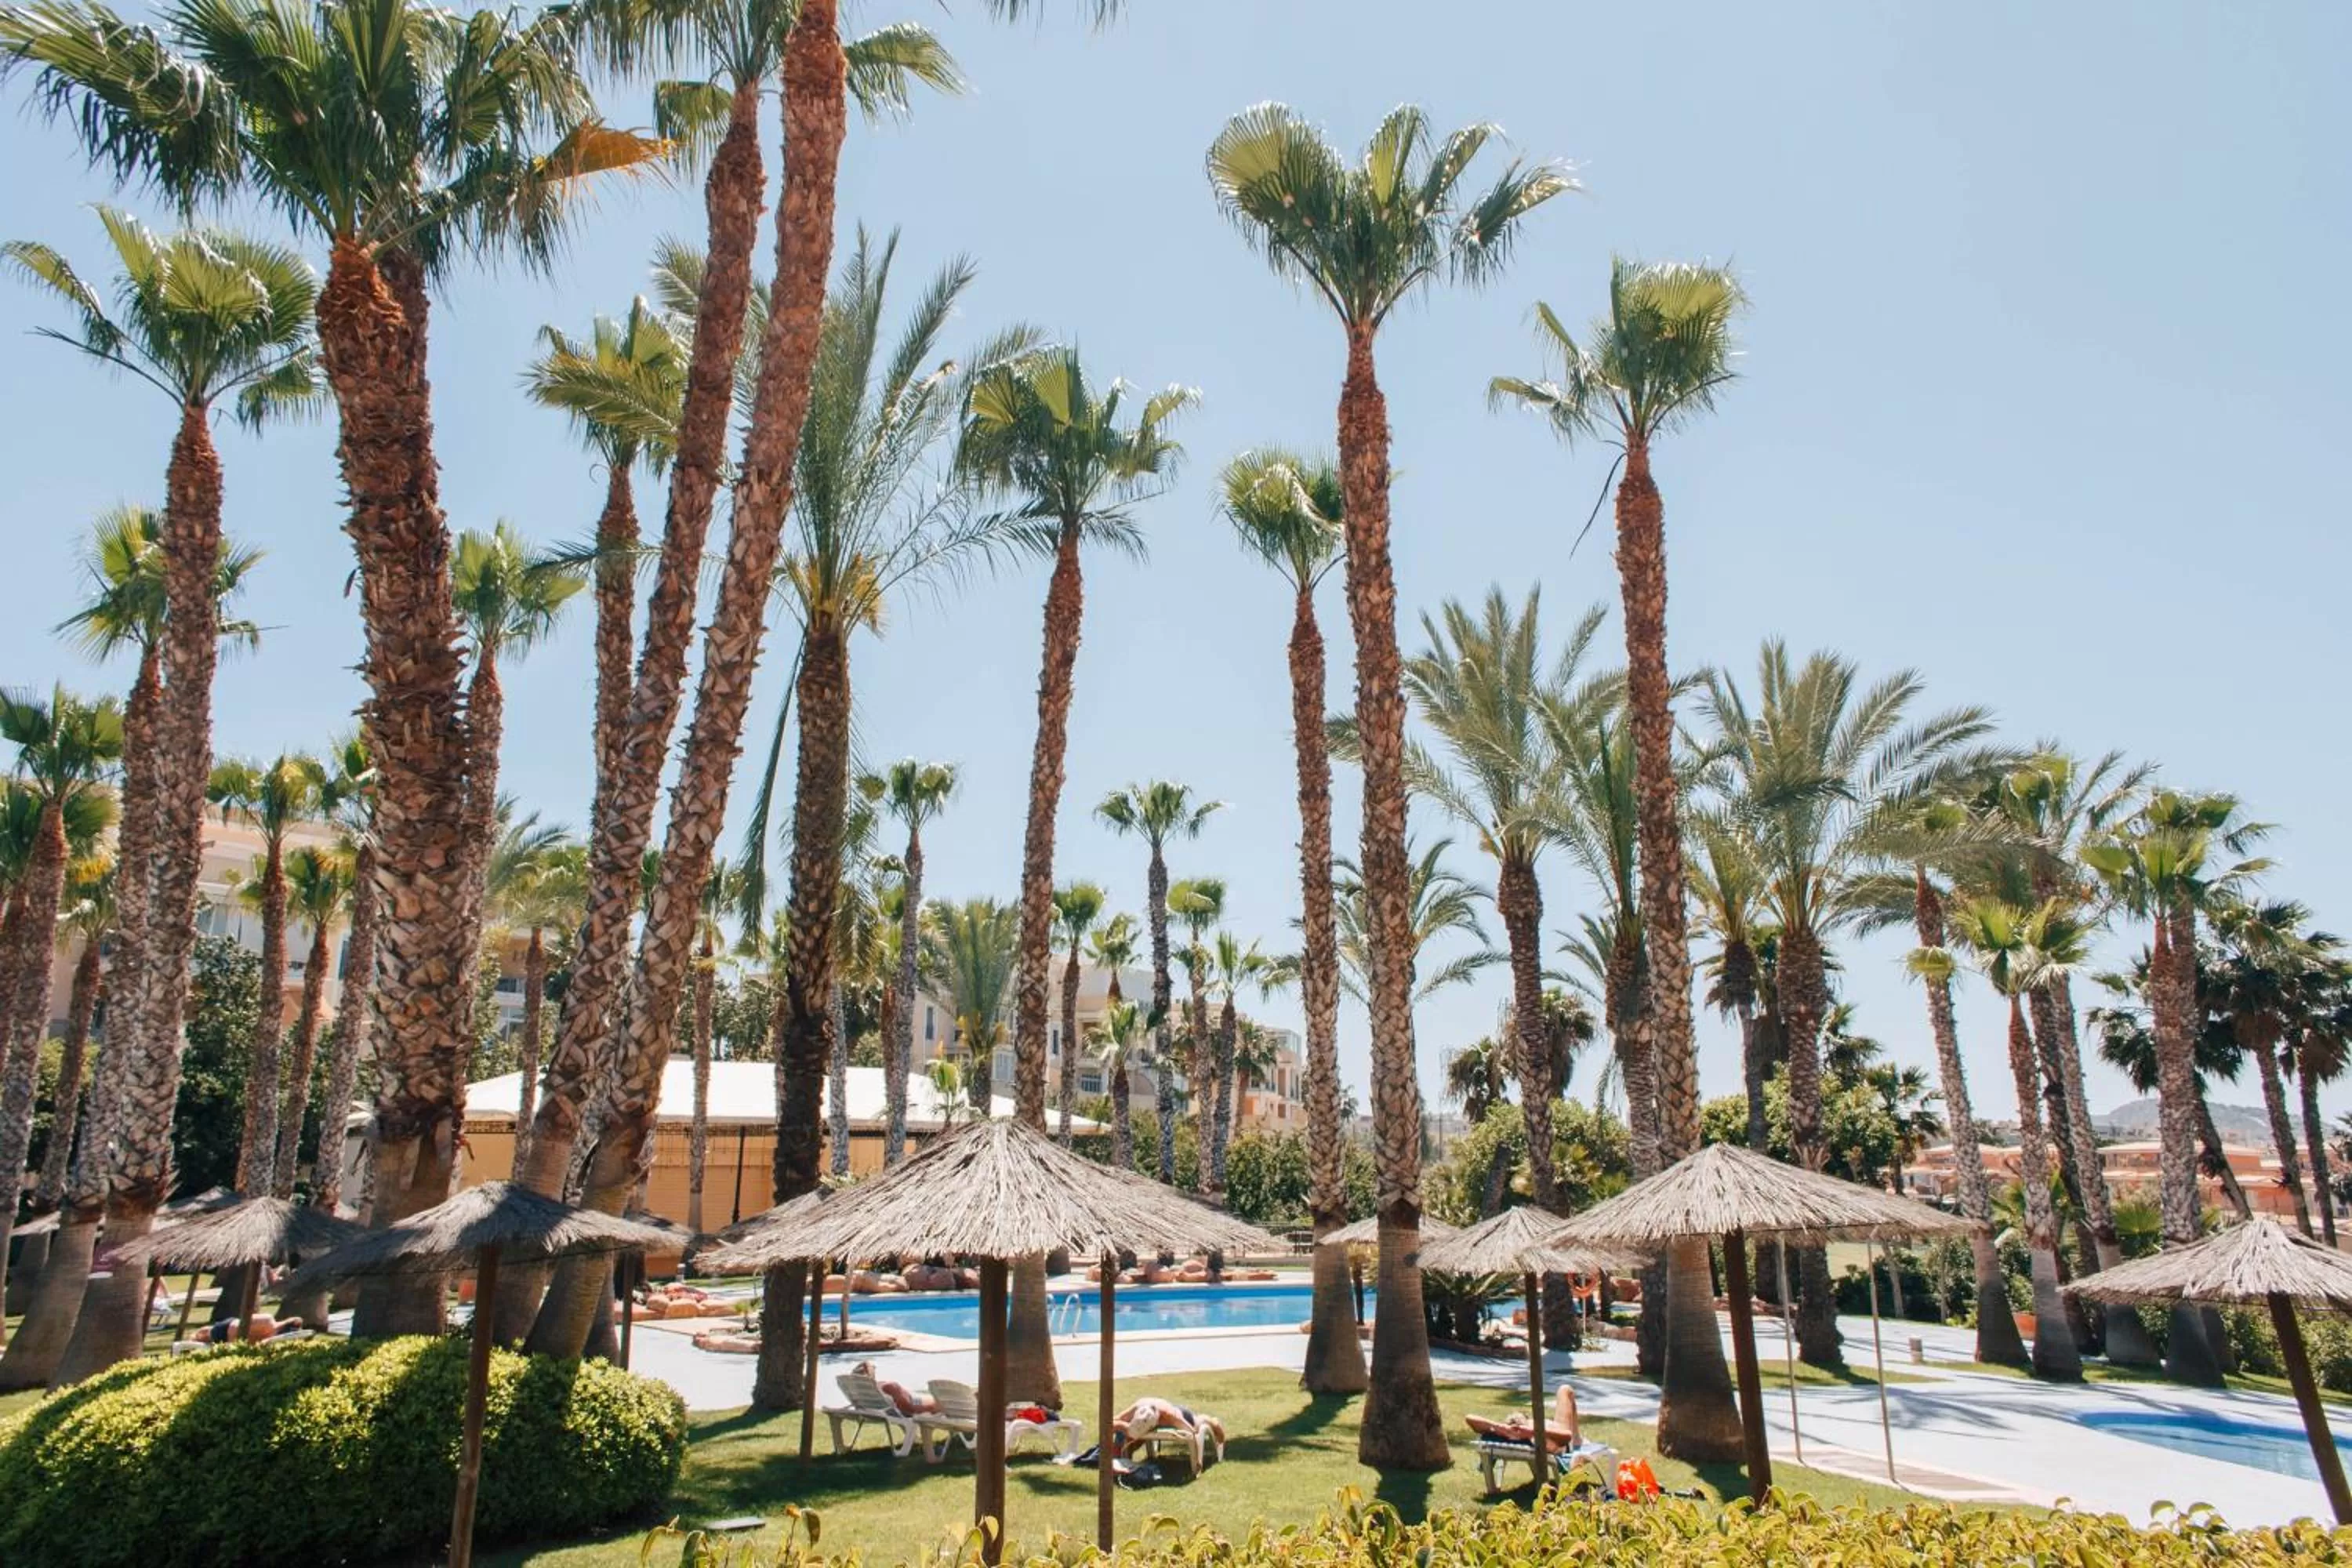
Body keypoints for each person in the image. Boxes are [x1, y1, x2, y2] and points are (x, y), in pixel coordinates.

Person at [1464, 1384, 1581, 1450]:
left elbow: (1470, 1418)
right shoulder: (1535, 1439)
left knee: (1567, 1393)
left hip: (1544, 1428)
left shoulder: (1505, 1432)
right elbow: (1566, 1437)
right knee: (1565, 1390)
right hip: (1558, 1429)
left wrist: (1500, 1428)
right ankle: (1578, 1439)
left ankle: (1578, 1438)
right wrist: (1533, 1431)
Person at [1109, 1396, 1225, 1462]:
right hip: (1148, 1420)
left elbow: (1192, 1433)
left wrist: (1198, 1461)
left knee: (1199, 1423)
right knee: (1125, 1436)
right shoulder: (1137, 1408)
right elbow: (1114, 1421)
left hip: (1181, 1415)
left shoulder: (1170, 1415)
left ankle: (1212, 1421)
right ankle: (1125, 1462)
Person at [852, 1359, 936, 1416]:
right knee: (939, 1402)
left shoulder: (864, 1395)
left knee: (932, 1398)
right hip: (913, 1405)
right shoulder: (889, 1386)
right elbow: (909, 1409)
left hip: (911, 1400)